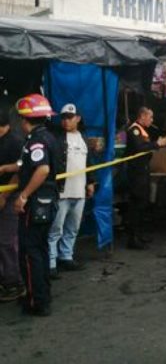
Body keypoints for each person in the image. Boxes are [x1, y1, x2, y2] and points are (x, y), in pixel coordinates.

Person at [0, 94, 59, 316]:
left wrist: (23, 195)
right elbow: (26, 163)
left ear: (25, 120)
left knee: (29, 252)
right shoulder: (47, 136)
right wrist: (7, 168)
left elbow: (42, 169)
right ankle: (43, 293)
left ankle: (36, 301)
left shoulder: (35, 140)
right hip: (48, 202)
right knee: (41, 249)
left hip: (36, 204)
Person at [47, 104, 96, 278]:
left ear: (78, 118)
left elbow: (88, 161)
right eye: (64, 117)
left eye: (70, 117)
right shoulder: (55, 138)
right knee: (55, 229)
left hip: (79, 191)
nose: (66, 120)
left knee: (73, 228)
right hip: (61, 192)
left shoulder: (82, 137)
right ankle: (51, 263)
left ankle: (66, 257)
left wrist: (90, 182)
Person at [125, 107, 166, 250]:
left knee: (143, 203)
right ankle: (133, 238)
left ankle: (140, 234)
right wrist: (157, 144)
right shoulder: (134, 130)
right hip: (136, 173)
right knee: (136, 205)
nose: (152, 120)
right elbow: (140, 148)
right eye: (150, 117)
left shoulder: (143, 130)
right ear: (142, 116)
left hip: (143, 171)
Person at [0, 106, 25, 302]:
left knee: (6, 241)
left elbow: (19, 171)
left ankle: (14, 282)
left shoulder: (15, 142)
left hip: (9, 198)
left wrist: (4, 197)